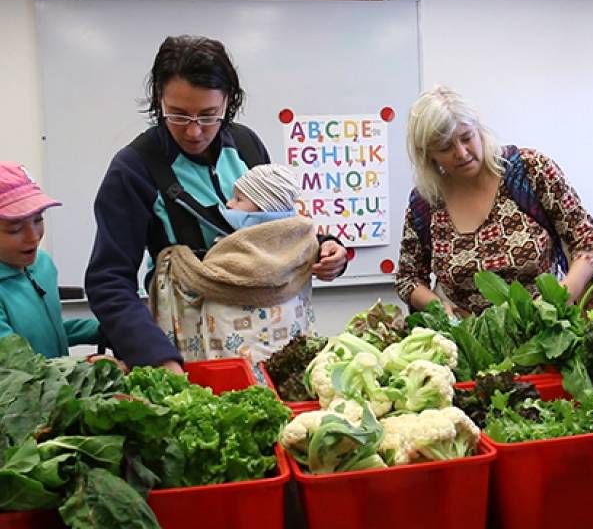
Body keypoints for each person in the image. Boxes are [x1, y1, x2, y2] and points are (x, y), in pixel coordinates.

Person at [86, 35, 347, 373]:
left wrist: (327, 250)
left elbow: (277, 227)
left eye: (208, 115)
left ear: (229, 101)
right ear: (158, 100)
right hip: (186, 347)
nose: (194, 132)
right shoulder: (133, 170)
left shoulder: (246, 145)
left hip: (271, 340)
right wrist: (158, 358)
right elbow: (108, 282)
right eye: (177, 115)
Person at [395, 85, 593, 316]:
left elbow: (588, 240)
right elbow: (409, 278)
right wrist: (440, 309)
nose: (462, 153)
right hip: (470, 341)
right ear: (428, 154)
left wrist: (562, 296)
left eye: (467, 138)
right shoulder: (426, 202)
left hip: (548, 332)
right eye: (445, 147)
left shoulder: (531, 171)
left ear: (478, 128)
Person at [150, 163, 317, 367]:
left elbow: (210, 277)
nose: (229, 204)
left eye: (239, 199)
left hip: (235, 353)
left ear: (264, 208)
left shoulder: (237, 248)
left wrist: (180, 260)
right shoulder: (303, 245)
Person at [0, 162, 105, 357]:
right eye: (15, 229)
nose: (33, 237)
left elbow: (48, 333)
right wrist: (88, 369)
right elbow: (13, 366)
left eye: (38, 220)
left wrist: (103, 330)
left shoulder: (42, 265)